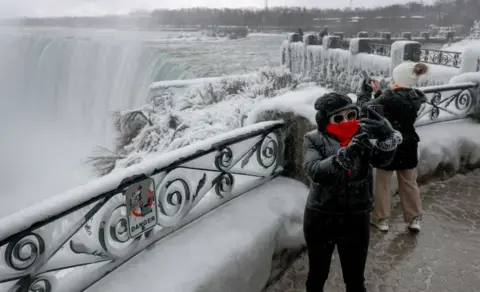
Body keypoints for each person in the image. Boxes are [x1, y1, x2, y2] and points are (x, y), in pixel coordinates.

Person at [303, 92, 403, 292]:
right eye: (338, 118)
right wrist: (343, 156)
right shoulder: (313, 139)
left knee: (355, 277)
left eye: (351, 115)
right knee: (318, 273)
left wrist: (387, 137)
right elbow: (314, 170)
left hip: (356, 216)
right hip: (322, 215)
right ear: (325, 120)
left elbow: (382, 161)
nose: (347, 122)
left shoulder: (363, 136)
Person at [357, 62, 428, 233]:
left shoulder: (389, 98)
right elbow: (396, 105)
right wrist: (379, 92)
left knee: (383, 184)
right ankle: (414, 218)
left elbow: (366, 107)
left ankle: (381, 219)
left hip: (389, 144)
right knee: (409, 183)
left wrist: (365, 92)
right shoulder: (415, 97)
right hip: (409, 143)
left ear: (397, 78)